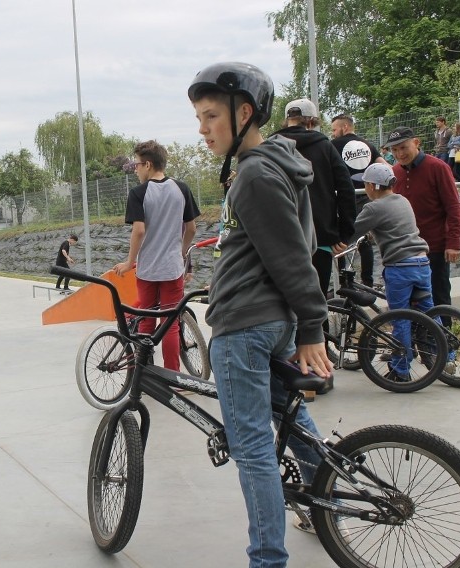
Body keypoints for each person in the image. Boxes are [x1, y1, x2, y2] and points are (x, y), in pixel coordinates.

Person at [188, 61, 332, 566]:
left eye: (210, 116)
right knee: (294, 420)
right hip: (268, 321)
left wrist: (313, 325)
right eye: (199, 118)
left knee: (252, 451)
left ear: (244, 112)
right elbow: (270, 246)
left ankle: (267, 559)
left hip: (245, 329)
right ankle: (323, 499)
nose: (202, 129)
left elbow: (294, 254)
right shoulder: (278, 164)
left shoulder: (254, 174)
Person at [338, 163, 435, 381]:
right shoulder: (403, 201)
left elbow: (351, 232)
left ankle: (401, 371)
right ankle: (443, 357)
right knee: (429, 314)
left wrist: (336, 243)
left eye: (365, 184)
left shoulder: (374, 208)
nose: (364, 188)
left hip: (401, 268)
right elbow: (395, 227)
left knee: (399, 317)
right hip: (421, 262)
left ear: (372, 185)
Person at [112, 140, 200, 372]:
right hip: (172, 269)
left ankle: (142, 371)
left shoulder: (138, 194)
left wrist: (130, 262)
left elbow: (139, 231)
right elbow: (191, 228)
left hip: (148, 269)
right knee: (170, 324)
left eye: (137, 165)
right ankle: (173, 377)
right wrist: (180, 254)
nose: (136, 170)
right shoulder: (182, 189)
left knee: (146, 320)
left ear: (148, 165)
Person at [274, 100, 355, 299]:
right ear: (311, 122)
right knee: (317, 300)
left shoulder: (271, 147)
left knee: (285, 303)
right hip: (320, 237)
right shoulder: (324, 146)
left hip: (281, 239)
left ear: (287, 121)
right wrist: (343, 234)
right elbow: (346, 188)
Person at [383, 126, 460, 321]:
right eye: (394, 150)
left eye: (403, 147)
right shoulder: (394, 173)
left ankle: (445, 346)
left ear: (416, 143)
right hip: (406, 251)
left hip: (435, 247)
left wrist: (453, 243)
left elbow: (453, 207)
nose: (399, 153)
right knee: (411, 303)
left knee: (439, 297)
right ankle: (422, 347)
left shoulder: (438, 167)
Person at [331, 113, 388, 288]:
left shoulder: (332, 146)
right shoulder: (367, 145)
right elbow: (385, 166)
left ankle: (342, 283)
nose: (333, 133)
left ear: (344, 127)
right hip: (366, 195)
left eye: (334, 129)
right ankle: (367, 282)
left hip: (343, 197)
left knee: (340, 240)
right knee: (364, 241)